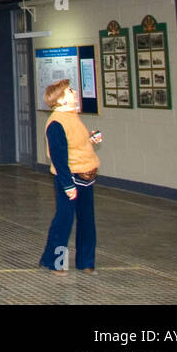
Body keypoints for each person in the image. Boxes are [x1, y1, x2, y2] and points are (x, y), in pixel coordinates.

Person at [39, 79, 102, 274]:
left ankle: (86, 261)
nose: (74, 93)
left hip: (86, 176)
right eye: (70, 91)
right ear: (61, 100)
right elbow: (58, 157)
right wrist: (68, 185)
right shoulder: (56, 122)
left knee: (87, 221)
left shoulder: (73, 117)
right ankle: (54, 262)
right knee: (64, 221)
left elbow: (76, 145)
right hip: (70, 177)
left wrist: (90, 139)